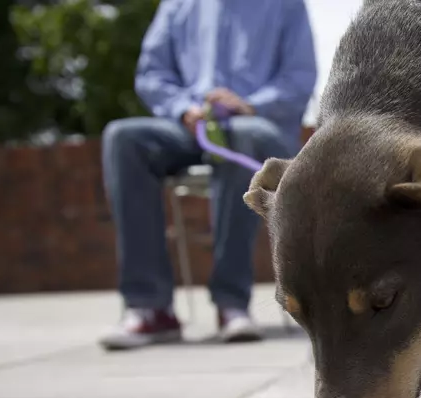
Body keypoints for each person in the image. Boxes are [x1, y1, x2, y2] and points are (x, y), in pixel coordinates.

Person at [99, 0, 317, 350]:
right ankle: (150, 308)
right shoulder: (176, 5)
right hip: (190, 126)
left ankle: (231, 304)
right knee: (122, 138)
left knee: (243, 134)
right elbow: (152, 74)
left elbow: (299, 77)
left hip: (259, 127)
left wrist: (249, 104)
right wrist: (183, 107)